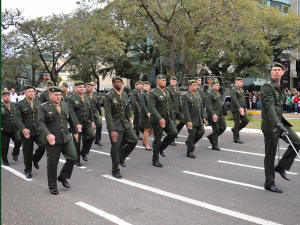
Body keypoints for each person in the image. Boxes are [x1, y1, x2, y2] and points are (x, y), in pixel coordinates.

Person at [261, 62, 300, 193]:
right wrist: (277, 124)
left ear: (283, 73)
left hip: (279, 123)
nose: (277, 72)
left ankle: (282, 166)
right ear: (271, 72)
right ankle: (269, 183)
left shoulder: (279, 85)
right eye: (274, 70)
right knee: (270, 155)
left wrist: (280, 124)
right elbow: (270, 107)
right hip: (271, 125)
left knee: (297, 141)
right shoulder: (267, 87)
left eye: (279, 70)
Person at [38, 86, 80, 195]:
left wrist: (75, 132)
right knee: (52, 163)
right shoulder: (44, 107)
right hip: (53, 140)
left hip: (66, 137)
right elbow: (40, 123)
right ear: (50, 95)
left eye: (60, 95)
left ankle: (63, 176)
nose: (58, 97)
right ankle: (52, 186)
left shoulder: (65, 105)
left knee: (73, 157)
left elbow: (71, 119)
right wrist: (48, 135)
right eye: (56, 95)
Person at [104, 76, 138, 179]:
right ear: (113, 84)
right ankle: (115, 170)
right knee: (115, 148)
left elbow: (127, 107)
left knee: (134, 140)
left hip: (125, 123)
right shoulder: (109, 96)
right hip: (115, 125)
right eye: (118, 82)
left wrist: (129, 118)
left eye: (121, 82)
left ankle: (121, 157)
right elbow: (108, 114)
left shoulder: (124, 93)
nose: (120, 84)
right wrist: (111, 130)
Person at [14, 85, 46, 178]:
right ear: (25, 92)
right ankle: (28, 170)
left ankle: (35, 159)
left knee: (43, 145)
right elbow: (17, 119)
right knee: (27, 151)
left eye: (33, 91)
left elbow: (41, 117)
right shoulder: (20, 104)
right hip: (26, 131)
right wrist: (23, 129)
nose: (32, 93)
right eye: (29, 91)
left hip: (37, 130)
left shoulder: (38, 103)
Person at [149, 74, 178, 167]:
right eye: (162, 80)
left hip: (167, 119)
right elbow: (151, 107)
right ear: (157, 81)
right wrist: (160, 119)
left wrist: (170, 118)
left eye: (165, 80)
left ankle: (161, 148)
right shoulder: (153, 93)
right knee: (157, 139)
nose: (165, 82)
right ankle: (155, 160)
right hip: (157, 120)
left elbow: (168, 106)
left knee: (174, 132)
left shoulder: (166, 91)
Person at [68, 81, 95, 167]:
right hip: (77, 124)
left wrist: (93, 121)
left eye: (83, 87)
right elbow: (71, 112)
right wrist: (76, 123)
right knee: (77, 142)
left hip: (86, 123)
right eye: (80, 87)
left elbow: (90, 110)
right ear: (75, 88)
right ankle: (77, 160)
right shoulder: (71, 99)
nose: (82, 88)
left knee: (92, 136)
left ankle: (84, 151)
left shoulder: (87, 97)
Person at [182, 80, 207, 158]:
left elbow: (201, 107)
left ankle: (189, 142)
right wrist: (188, 121)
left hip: (198, 118)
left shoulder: (198, 94)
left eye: (196, 85)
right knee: (192, 135)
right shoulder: (186, 96)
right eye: (194, 85)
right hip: (191, 119)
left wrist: (204, 117)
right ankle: (190, 152)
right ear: (190, 86)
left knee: (201, 131)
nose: (196, 86)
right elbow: (185, 110)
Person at [1, 91, 22, 166]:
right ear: (2, 97)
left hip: (15, 127)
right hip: (4, 129)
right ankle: (5, 160)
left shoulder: (14, 104)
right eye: (5, 96)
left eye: (8, 95)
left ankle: (15, 153)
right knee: (4, 146)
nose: (7, 97)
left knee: (19, 140)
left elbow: (19, 115)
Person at [205, 80, 226, 150]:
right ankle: (214, 145)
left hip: (220, 113)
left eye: (218, 85)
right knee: (216, 129)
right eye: (217, 85)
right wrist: (213, 114)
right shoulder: (209, 94)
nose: (218, 86)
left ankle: (211, 137)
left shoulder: (218, 93)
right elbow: (209, 106)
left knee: (223, 127)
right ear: (212, 86)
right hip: (214, 114)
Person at [166, 76, 185, 146]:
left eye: (174, 81)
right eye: (172, 81)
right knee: (172, 125)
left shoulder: (177, 88)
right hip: (172, 110)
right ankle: (171, 140)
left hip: (178, 109)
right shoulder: (167, 89)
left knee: (183, 120)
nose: (173, 82)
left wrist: (181, 106)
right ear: (170, 82)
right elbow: (167, 100)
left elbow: (178, 98)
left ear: (176, 82)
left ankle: (175, 132)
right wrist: (169, 110)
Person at [230, 77, 249, 144]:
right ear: (236, 82)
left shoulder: (241, 90)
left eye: (242, 81)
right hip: (236, 109)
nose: (242, 83)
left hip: (242, 108)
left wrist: (245, 107)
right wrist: (239, 108)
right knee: (237, 123)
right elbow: (234, 100)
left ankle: (234, 130)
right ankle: (236, 138)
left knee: (246, 120)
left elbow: (243, 99)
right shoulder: (233, 90)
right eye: (240, 81)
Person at [139, 81, 153, 150]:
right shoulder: (142, 94)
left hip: (151, 113)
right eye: (145, 86)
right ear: (143, 87)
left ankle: (144, 138)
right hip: (144, 115)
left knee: (152, 129)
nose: (147, 87)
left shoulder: (150, 94)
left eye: (148, 86)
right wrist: (147, 113)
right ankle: (146, 145)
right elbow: (143, 105)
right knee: (146, 129)